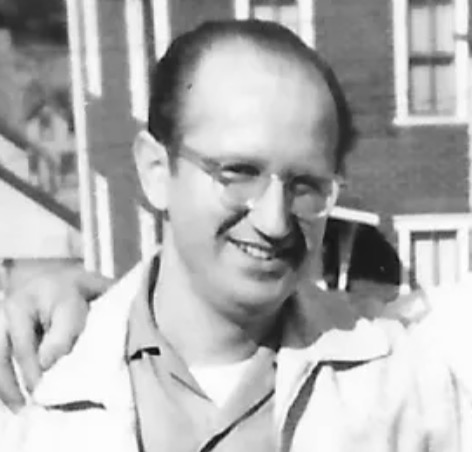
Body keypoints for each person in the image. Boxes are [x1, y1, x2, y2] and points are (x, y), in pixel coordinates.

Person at [0, 19, 471, 451]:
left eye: (306, 186)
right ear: (156, 170)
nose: (274, 222)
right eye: (239, 172)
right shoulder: (33, 388)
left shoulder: (409, 383)